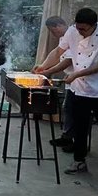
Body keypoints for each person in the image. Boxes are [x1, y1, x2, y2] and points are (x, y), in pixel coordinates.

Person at [45, 8, 98, 181]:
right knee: (80, 127)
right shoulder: (72, 31)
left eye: (84, 29)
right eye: (78, 28)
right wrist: (46, 69)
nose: (80, 32)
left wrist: (76, 74)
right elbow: (62, 53)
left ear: (94, 25)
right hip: (79, 89)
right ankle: (79, 161)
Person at [33, 16, 77, 152]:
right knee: (68, 108)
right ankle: (67, 137)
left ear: (60, 25)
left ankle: (76, 142)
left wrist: (48, 71)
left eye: (53, 31)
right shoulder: (63, 38)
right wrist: (42, 66)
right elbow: (56, 53)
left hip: (80, 79)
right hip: (71, 81)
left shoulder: (74, 35)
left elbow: (68, 60)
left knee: (75, 111)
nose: (53, 34)